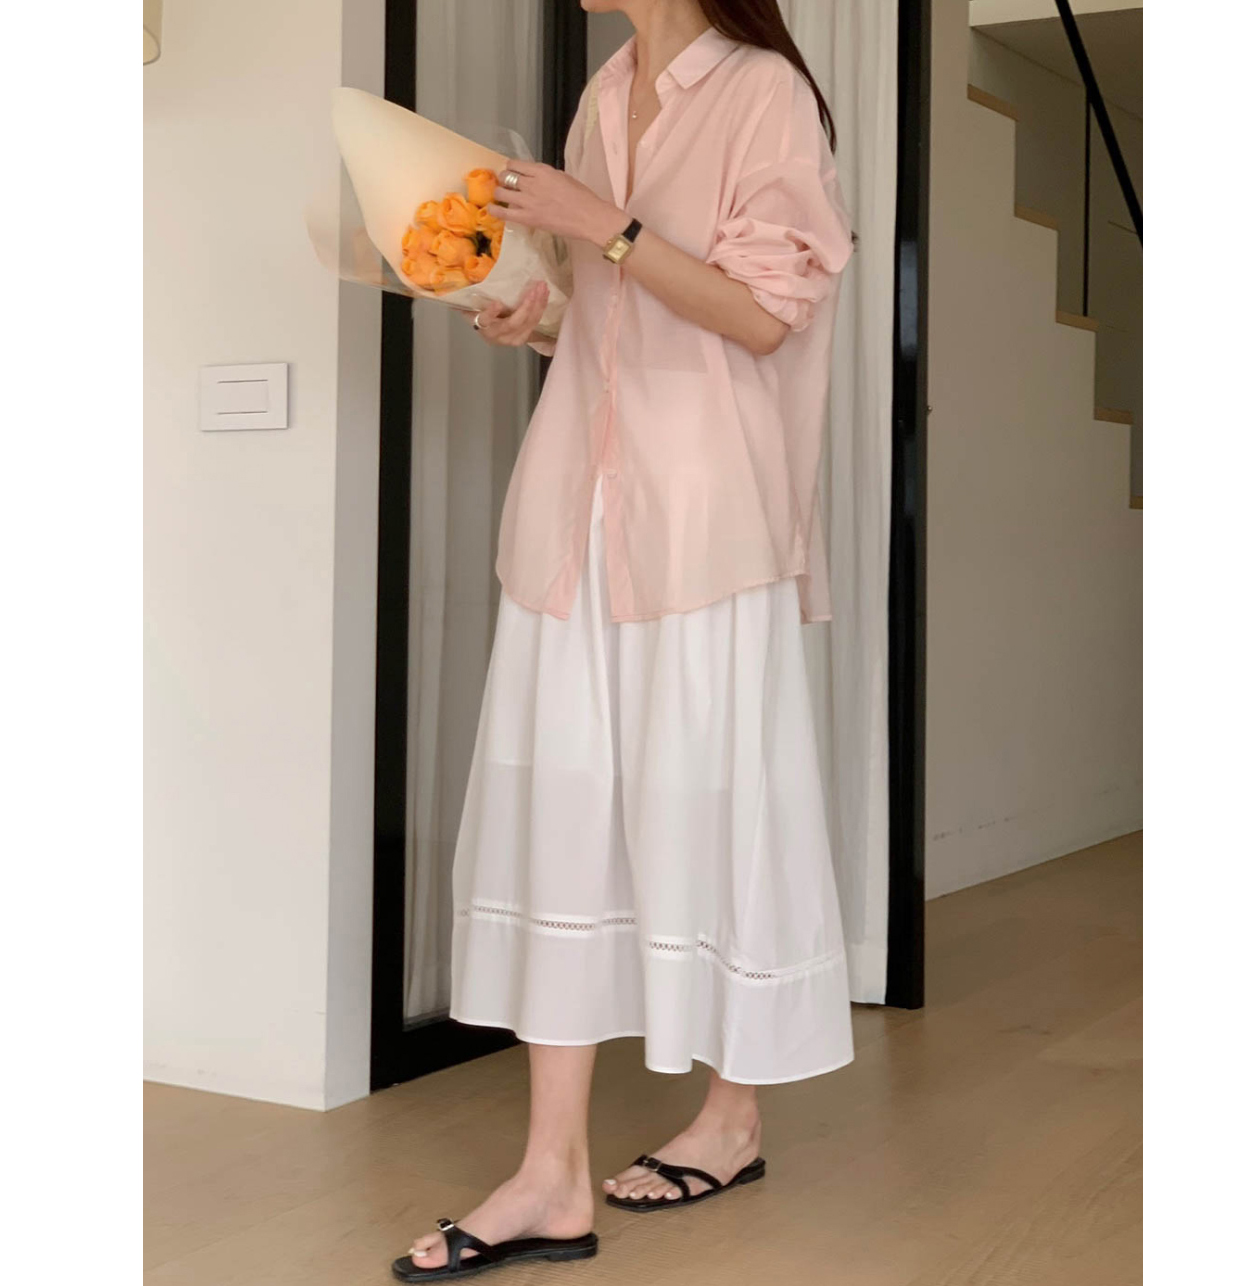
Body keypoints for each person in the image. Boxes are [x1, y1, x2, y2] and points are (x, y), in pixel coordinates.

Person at [394, 0, 855, 1279]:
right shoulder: (603, 94)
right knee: (561, 811)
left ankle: (731, 1113)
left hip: (702, 512)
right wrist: (532, 314)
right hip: (573, 509)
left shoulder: (761, 92)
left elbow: (761, 316)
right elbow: (609, 310)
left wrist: (598, 222)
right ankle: (550, 1170)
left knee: (711, 801)